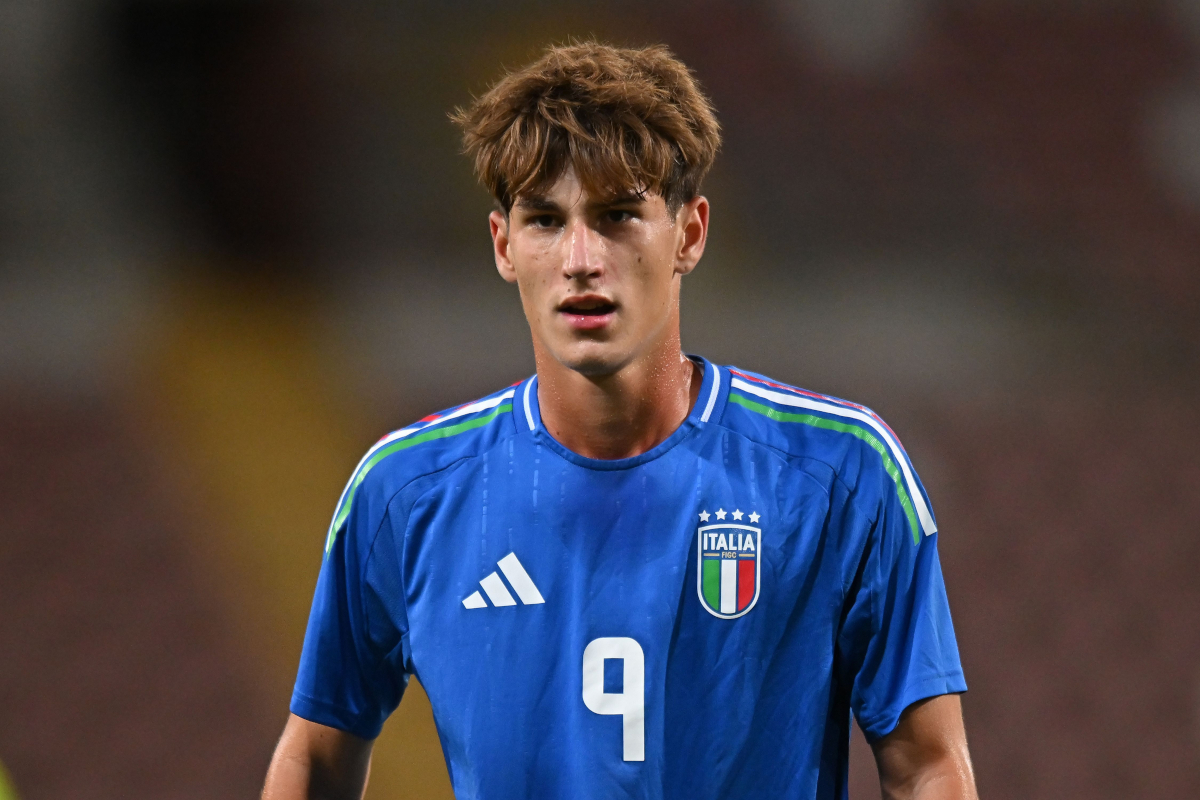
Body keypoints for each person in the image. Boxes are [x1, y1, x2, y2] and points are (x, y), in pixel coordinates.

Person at [262, 41, 977, 800]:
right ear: (504, 246)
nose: (580, 258)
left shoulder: (840, 473)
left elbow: (926, 767)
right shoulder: (406, 493)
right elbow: (315, 756)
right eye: (545, 220)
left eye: (617, 216)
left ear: (689, 234)